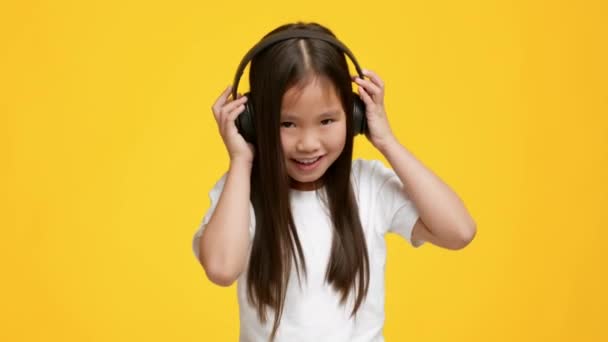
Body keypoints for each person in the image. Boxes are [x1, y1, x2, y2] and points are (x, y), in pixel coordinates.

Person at [192, 22, 477, 342]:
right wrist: (241, 160)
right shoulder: (240, 191)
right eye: (287, 124)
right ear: (253, 123)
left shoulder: (368, 186)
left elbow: (459, 231)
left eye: (327, 121)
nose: (308, 143)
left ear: (355, 115)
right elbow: (221, 268)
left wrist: (387, 141)